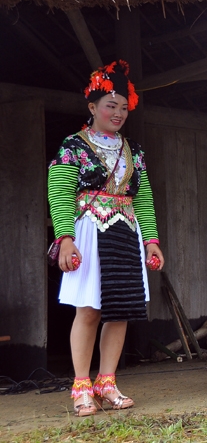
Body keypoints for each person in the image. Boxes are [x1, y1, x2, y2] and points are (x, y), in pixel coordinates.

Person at [48, 60, 165, 417]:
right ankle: (81, 386)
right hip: (89, 231)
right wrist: (65, 238)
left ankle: (107, 382)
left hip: (126, 232)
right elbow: (60, 191)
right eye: (110, 105)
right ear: (92, 107)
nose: (117, 113)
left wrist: (152, 241)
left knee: (121, 311)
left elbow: (142, 198)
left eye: (123, 108)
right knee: (89, 310)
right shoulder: (74, 146)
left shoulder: (135, 151)